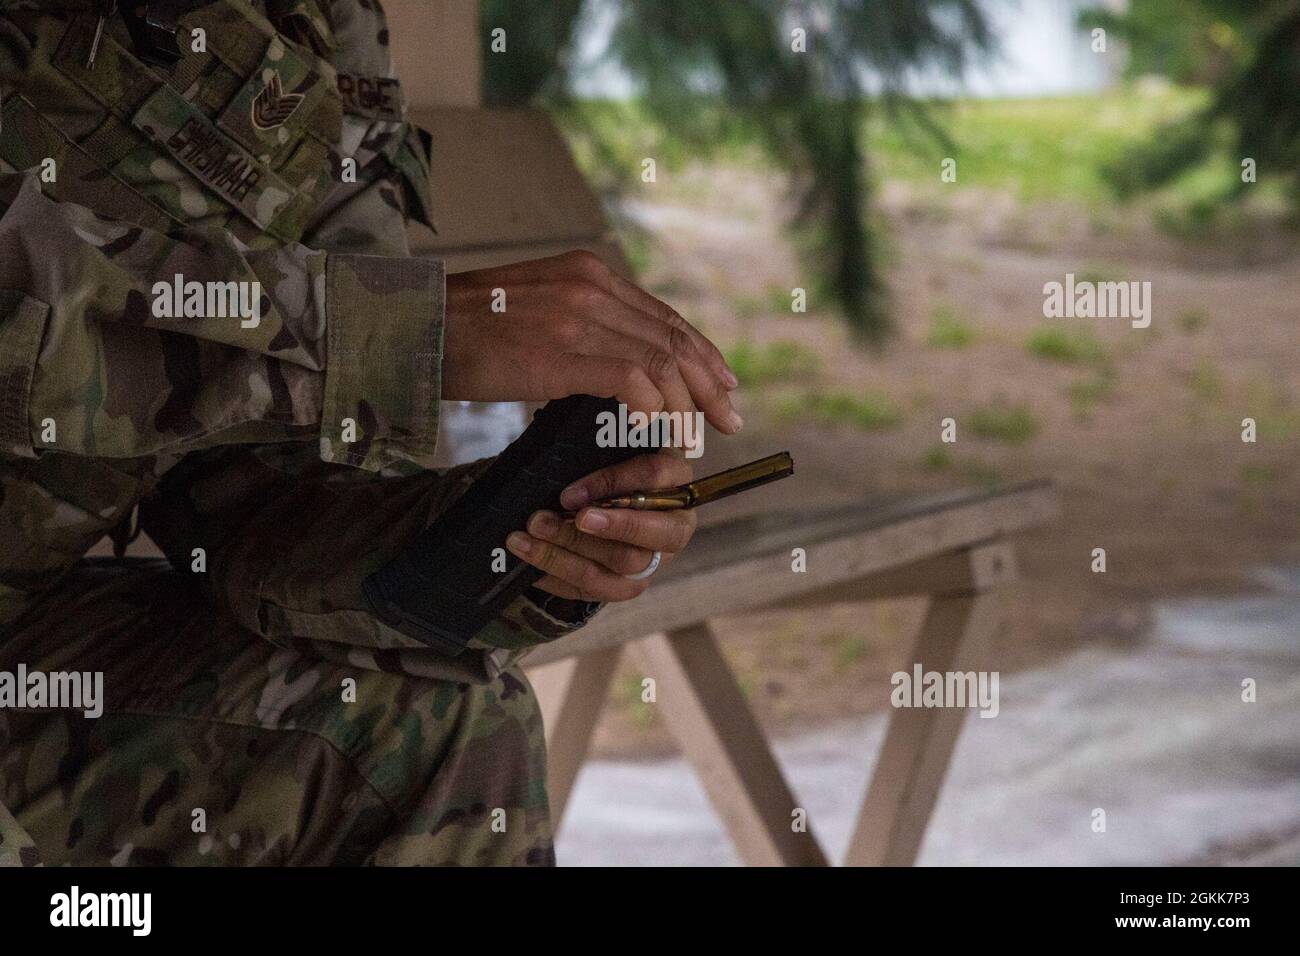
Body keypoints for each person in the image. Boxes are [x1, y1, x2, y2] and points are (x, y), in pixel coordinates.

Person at [0, 0, 740, 866]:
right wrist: (380, 334)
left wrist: (511, 541)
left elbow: (246, 487)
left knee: (442, 721)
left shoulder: (323, 22)